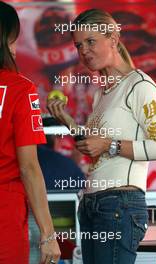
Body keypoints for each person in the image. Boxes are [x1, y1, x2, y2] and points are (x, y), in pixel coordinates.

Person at [47, 9, 156, 264]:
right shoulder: (101, 94)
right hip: (92, 203)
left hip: (119, 205)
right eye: (79, 45)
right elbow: (95, 148)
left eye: (91, 41)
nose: (84, 51)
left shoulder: (140, 85)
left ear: (114, 39)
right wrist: (69, 122)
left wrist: (109, 144)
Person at [0, 2, 60, 264]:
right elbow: (29, 168)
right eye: (14, 39)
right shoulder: (20, 88)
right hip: (4, 211)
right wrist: (48, 235)